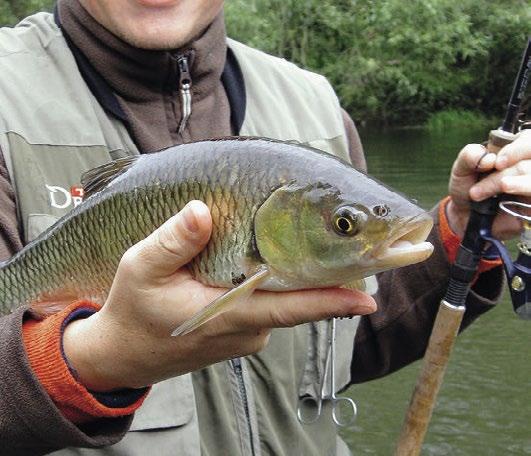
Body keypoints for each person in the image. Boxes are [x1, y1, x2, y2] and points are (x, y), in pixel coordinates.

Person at [0, 1, 529, 455]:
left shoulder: (314, 105)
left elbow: (353, 334)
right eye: (346, 222)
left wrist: (461, 231)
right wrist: (93, 360)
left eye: (343, 222)